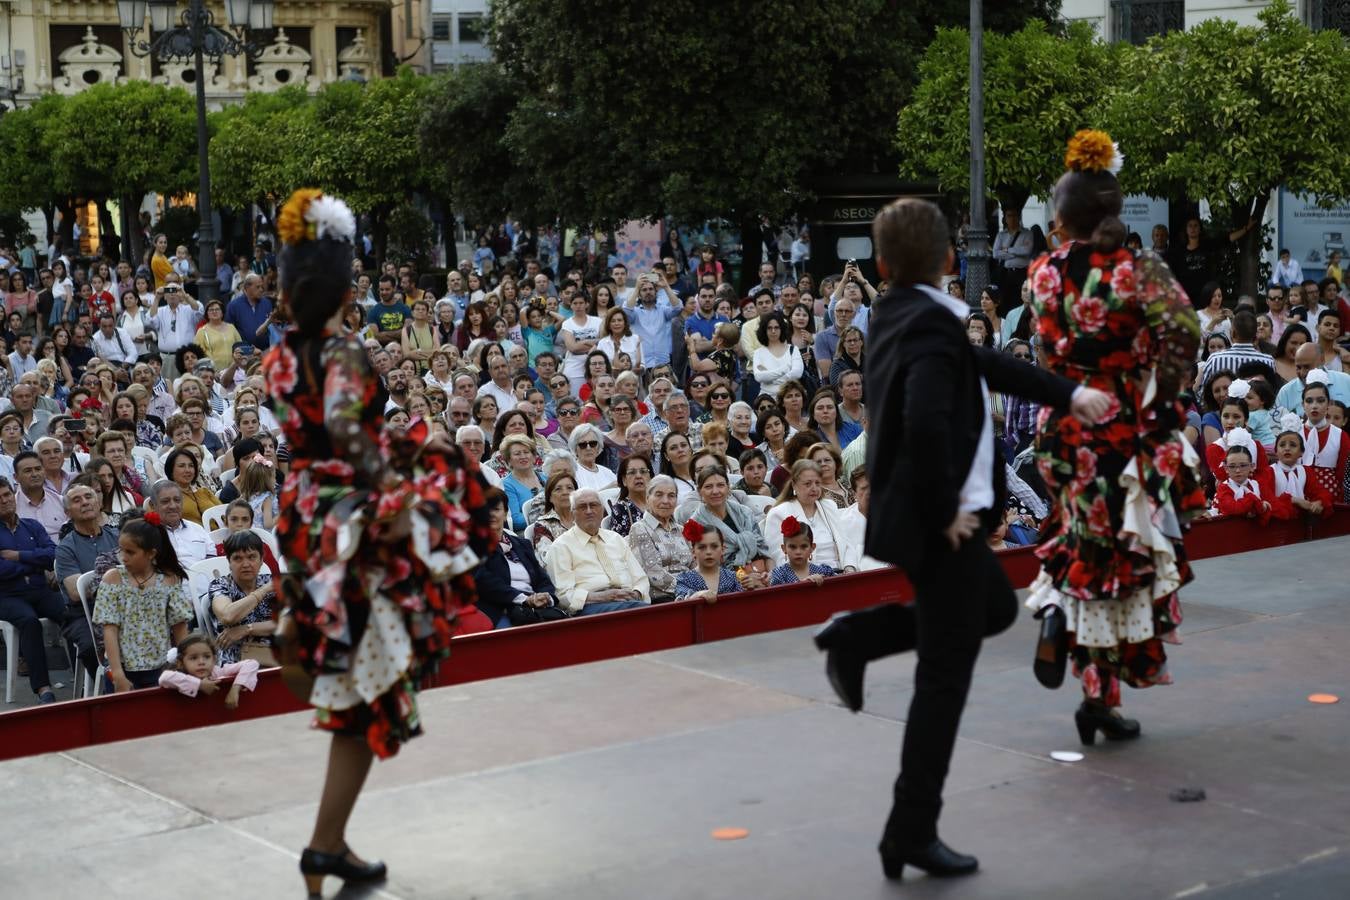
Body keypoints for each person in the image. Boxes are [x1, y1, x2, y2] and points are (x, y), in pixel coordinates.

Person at [812, 194, 1110, 881]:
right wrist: (946, 508)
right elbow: (921, 419)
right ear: (950, 259)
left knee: (997, 610)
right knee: (943, 682)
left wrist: (1069, 395)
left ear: (882, 265)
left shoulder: (905, 313)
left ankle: (859, 635)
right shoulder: (928, 326)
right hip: (939, 523)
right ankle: (909, 831)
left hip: (932, 517)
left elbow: (987, 365)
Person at [263, 189, 487, 895]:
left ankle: (328, 846)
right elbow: (345, 427)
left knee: (357, 698)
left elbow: (314, 435)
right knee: (367, 689)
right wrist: (395, 489)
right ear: (349, 290)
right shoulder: (344, 353)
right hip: (350, 523)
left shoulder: (278, 358)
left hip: (304, 518)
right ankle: (322, 845)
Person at [94, 512, 193, 692]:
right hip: (123, 669)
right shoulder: (113, 579)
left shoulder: (168, 580)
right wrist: (117, 673)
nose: (123, 557)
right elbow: (109, 630)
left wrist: (183, 666)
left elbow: (180, 628)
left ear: (150, 553)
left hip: (161, 668)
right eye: (121, 549)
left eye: (130, 552)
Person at [0, 476, 64, 703]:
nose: (4, 500)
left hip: (39, 590)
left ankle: (88, 671)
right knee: (29, 622)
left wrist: (18, 556)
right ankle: (43, 688)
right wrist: (34, 562)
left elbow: (52, 555)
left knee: (70, 612)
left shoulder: (32, 526)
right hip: (7, 595)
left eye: (7, 495)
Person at [544, 488, 650, 615]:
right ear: (573, 513)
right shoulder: (561, 546)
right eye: (582, 507)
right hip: (590, 607)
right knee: (645, 613)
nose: (589, 511)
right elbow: (563, 595)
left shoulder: (615, 539)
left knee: (653, 611)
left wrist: (636, 593)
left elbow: (640, 579)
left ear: (602, 511)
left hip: (629, 602)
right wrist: (604, 596)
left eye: (594, 505)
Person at [474, 489, 560, 628]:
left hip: (534, 607)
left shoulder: (522, 544)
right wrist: (524, 599)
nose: (490, 514)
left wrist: (546, 597)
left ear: (505, 513)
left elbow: (542, 578)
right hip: (499, 609)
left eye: (496, 509)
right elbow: (484, 582)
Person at [207, 530, 278, 666]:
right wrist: (262, 591)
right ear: (229, 561)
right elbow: (227, 616)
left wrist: (245, 629)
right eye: (238, 558)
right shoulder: (221, 585)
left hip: (272, 655)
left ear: (262, 559)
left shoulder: (270, 581)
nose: (246, 564)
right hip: (235, 660)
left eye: (251, 557)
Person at [159, 631, 261, 709]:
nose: (201, 662)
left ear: (214, 659)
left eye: (207, 657)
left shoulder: (218, 672)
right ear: (180, 663)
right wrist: (199, 685)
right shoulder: (179, 675)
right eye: (193, 658)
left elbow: (251, 663)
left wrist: (235, 690)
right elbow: (164, 678)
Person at [673, 520, 742, 602]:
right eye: (702, 547)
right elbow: (682, 601)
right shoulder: (684, 579)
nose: (708, 552)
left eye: (714, 546)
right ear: (693, 552)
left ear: (723, 549)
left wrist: (753, 585)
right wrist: (698, 594)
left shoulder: (733, 578)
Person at [769, 517, 835, 586]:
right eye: (792, 547)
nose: (798, 552)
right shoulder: (779, 575)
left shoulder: (823, 572)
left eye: (803, 546)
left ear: (812, 547)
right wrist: (804, 583)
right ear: (784, 548)